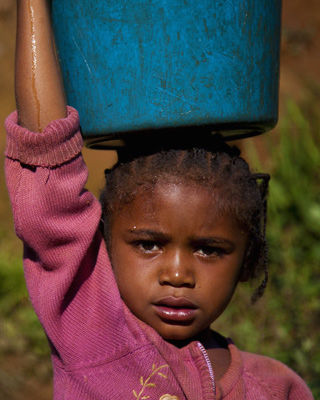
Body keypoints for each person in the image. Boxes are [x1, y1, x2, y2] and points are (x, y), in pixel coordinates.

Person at [4, 1, 314, 399]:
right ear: (104, 246)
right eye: (148, 244)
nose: (179, 274)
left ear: (248, 257)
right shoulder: (93, 332)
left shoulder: (276, 387)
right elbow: (48, 182)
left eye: (209, 250)